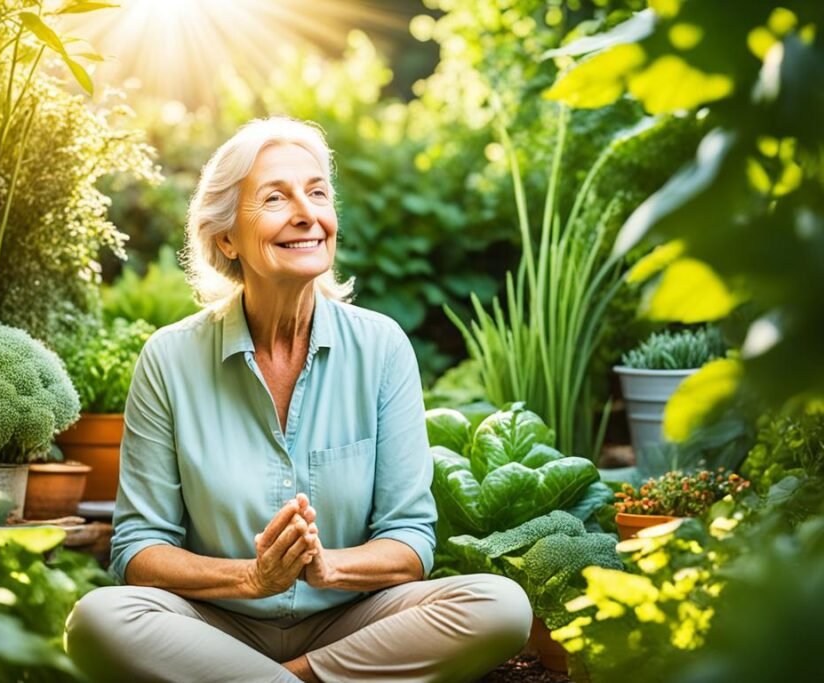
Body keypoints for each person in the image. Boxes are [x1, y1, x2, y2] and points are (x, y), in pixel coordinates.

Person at [65, 117, 532, 682]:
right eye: (275, 198)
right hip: (211, 627)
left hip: (349, 621)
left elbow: (410, 543)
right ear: (226, 237)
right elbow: (139, 551)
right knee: (96, 619)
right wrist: (254, 580)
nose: (307, 213)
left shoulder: (382, 348)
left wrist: (328, 566)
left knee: (501, 605)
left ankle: (296, 676)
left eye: (317, 192)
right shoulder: (169, 359)